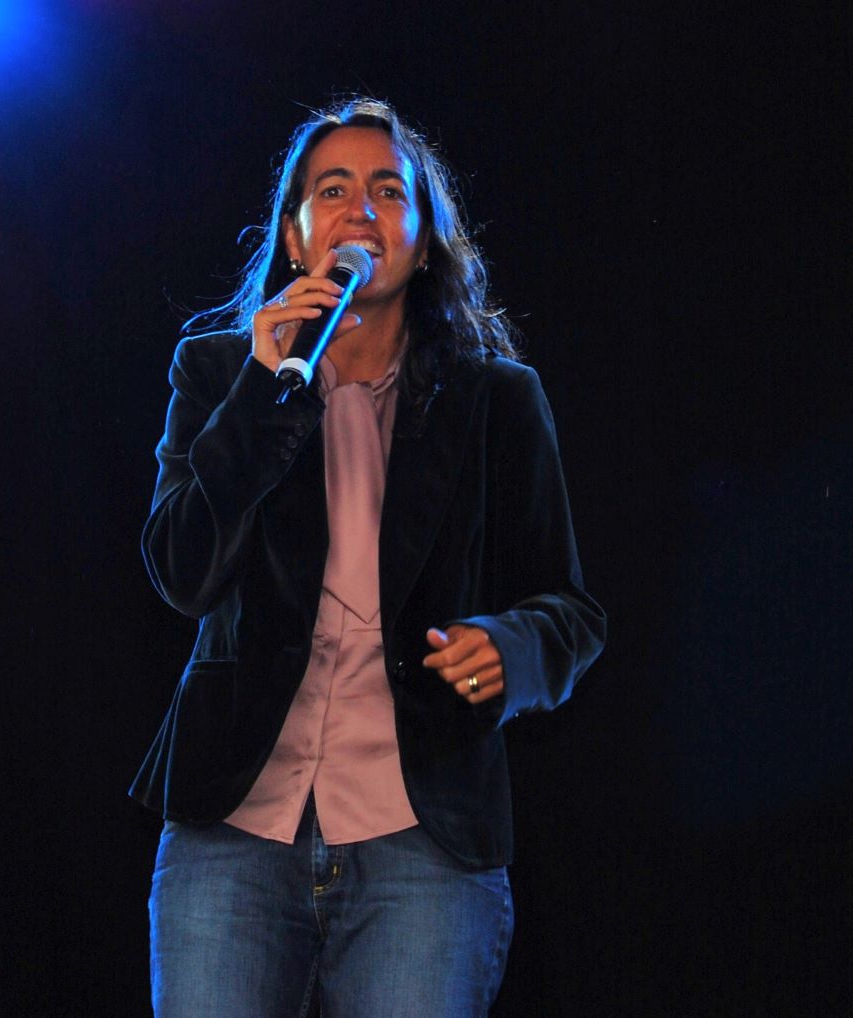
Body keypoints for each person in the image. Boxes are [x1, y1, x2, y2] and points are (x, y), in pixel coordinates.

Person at [131, 97, 605, 1018]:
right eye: (334, 190)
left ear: (423, 242)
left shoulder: (496, 400)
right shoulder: (220, 373)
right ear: (297, 233)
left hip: (420, 839)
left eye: (389, 192)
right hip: (235, 822)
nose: (361, 210)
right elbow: (183, 572)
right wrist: (265, 393)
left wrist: (511, 646)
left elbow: (571, 611)